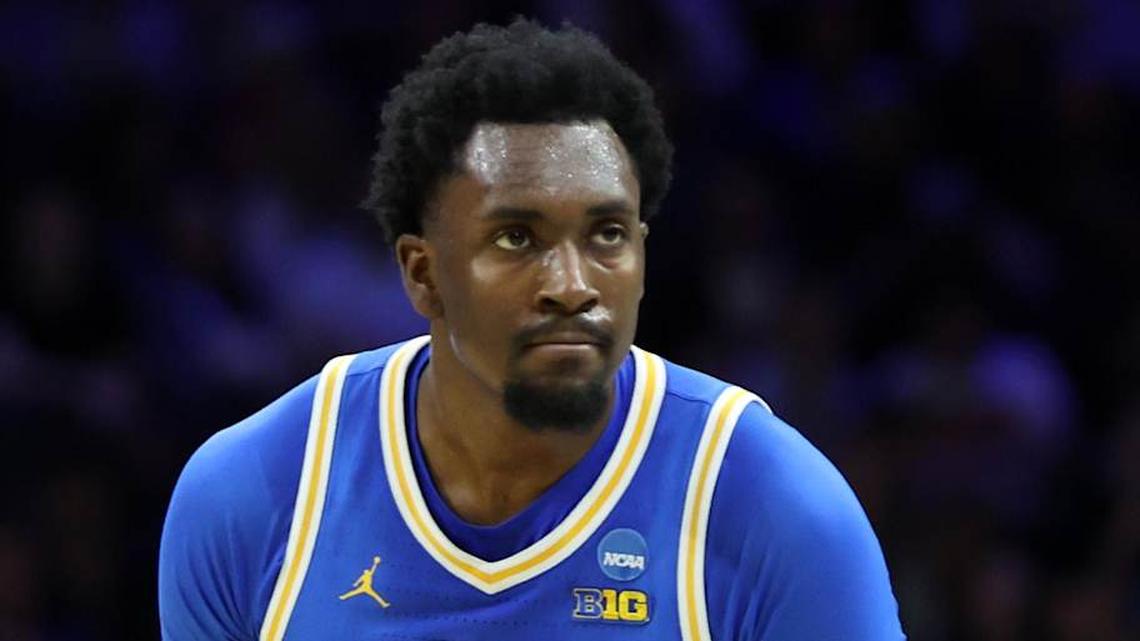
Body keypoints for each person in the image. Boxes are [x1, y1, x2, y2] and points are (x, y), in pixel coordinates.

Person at [158, 18, 906, 641]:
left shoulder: (774, 507)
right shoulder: (255, 495)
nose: (572, 285)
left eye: (608, 234)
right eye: (517, 237)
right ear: (422, 273)